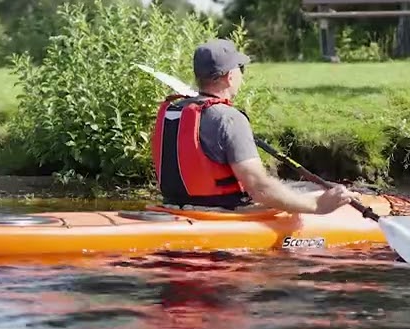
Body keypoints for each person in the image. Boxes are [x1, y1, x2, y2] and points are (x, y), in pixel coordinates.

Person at [151, 38, 358, 214]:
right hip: (222, 215)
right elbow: (260, 190)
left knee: (303, 187)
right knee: (312, 193)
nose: (242, 74)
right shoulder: (230, 119)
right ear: (229, 77)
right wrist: (317, 205)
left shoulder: (173, 111)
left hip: (173, 209)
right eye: (240, 68)